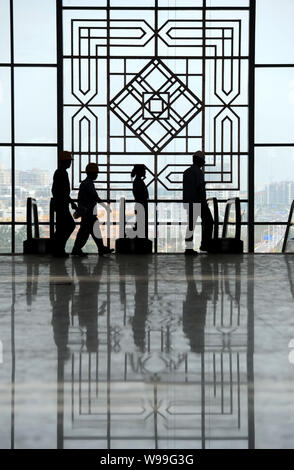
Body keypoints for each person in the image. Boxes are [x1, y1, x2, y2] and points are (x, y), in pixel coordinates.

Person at [71, 162, 114, 256]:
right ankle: (79, 249)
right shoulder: (88, 183)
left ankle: (79, 249)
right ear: (91, 173)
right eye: (96, 173)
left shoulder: (86, 183)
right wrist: (105, 206)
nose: (97, 175)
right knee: (88, 232)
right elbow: (94, 196)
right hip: (89, 213)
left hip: (87, 213)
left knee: (87, 232)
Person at [183, 150, 213, 255]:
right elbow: (199, 188)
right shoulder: (198, 172)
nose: (204, 162)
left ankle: (188, 248)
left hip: (189, 203)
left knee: (190, 226)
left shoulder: (186, 172)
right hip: (199, 203)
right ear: (200, 161)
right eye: (203, 160)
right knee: (209, 221)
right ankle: (205, 244)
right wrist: (203, 202)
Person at [51, 150, 77, 257]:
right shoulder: (61, 173)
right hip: (62, 205)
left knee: (62, 228)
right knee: (68, 226)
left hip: (62, 204)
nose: (70, 163)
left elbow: (61, 191)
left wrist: (70, 202)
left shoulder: (61, 172)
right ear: (64, 161)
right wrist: (68, 202)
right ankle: (59, 249)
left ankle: (58, 249)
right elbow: (60, 191)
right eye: (68, 161)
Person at [131, 164, 149, 238]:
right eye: (144, 170)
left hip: (140, 205)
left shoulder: (137, 181)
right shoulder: (138, 182)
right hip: (141, 205)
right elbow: (142, 195)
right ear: (140, 171)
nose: (145, 172)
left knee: (139, 224)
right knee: (140, 225)